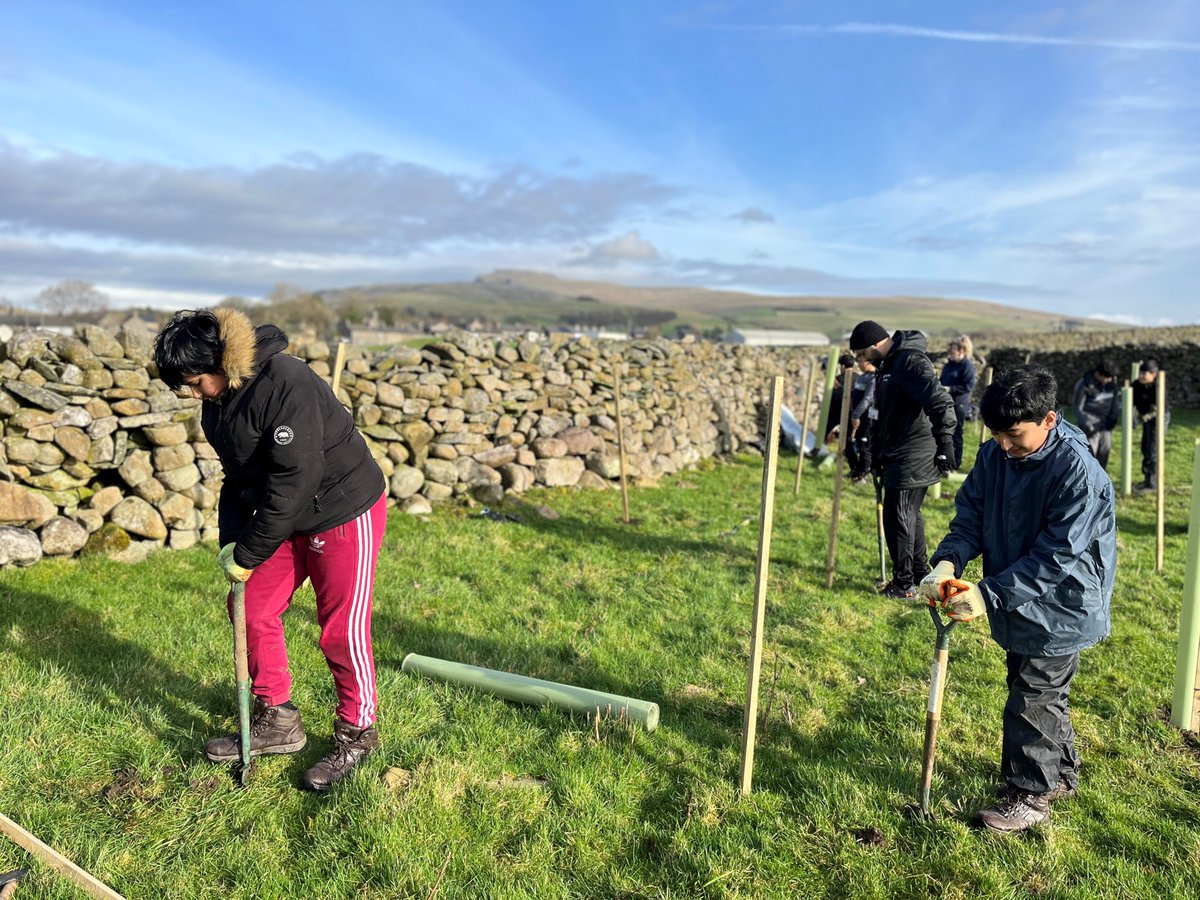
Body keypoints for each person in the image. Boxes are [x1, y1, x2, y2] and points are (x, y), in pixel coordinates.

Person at [153, 308, 388, 792]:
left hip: (342, 508)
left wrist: (250, 550)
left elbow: (295, 479)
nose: (193, 395)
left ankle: (358, 733)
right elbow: (239, 479)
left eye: (196, 382)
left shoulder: (287, 382)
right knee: (250, 608)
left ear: (221, 361)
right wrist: (233, 548)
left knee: (340, 628)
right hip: (286, 514)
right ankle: (278, 719)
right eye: (187, 388)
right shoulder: (220, 399)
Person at [919, 364, 1115, 834]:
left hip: (1062, 603)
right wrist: (948, 562)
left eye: (1013, 435)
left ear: (1048, 420)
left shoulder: (1078, 474)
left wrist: (988, 594)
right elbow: (971, 515)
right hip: (1021, 597)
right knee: (1037, 689)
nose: (1004, 445)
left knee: (1032, 696)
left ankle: (1030, 795)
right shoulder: (996, 456)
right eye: (996, 435)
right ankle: (1060, 774)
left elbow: (1056, 556)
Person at [849, 320, 957, 599]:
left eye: (862, 354)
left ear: (874, 344)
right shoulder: (889, 365)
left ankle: (904, 584)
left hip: (915, 450)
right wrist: (872, 454)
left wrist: (945, 441)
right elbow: (885, 414)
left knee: (898, 516)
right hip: (898, 449)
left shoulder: (909, 362)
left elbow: (939, 400)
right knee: (909, 514)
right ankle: (921, 574)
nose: (862, 361)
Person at [1072, 359, 1120, 471]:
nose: (1109, 380)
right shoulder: (1084, 384)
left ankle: (1101, 480)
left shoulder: (1111, 383)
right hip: (1090, 428)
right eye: (1107, 377)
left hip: (1106, 426)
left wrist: (1112, 419)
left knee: (1104, 452)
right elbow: (1077, 408)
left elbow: (1115, 404)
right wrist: (1089, 424)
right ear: (1098, 374)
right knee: (1089, 454)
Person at [939, 335, 977, 469]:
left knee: (956, 434)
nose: (951, 353)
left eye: (953, 351)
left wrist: (950, 389)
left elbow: (969, 386)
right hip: (946, 403)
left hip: (959, 405)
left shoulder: (967, 366)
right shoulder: (949, 365)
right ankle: (944, 462)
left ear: (962, 351)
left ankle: (955, 463)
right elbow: (942, 380)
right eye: (950, 351)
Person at [1132, 360, 1168, 491]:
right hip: (1147, 420)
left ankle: (1152, 484)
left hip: (1159, 419)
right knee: (1145, 448)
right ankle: (1147, 480)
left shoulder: (1158, 387)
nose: (1141, 376)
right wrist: (1133, 417)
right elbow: (1132, 401)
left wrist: (1142, 418)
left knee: (1153, 450)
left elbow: (1158, 409)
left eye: (1144, 373)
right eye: (1140, 372)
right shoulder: (1137, 385)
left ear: (1153, 374)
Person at [847, 357, 877, 483]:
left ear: (869, 362)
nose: (858, 364)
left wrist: (856, 415)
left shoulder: (873, 378)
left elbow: (868, 399)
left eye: (861, 362)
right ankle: (856, 469)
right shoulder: (862, 377)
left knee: (865, 446)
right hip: (858, 414)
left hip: (868, 416)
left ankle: (863, 475)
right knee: (855, 443)